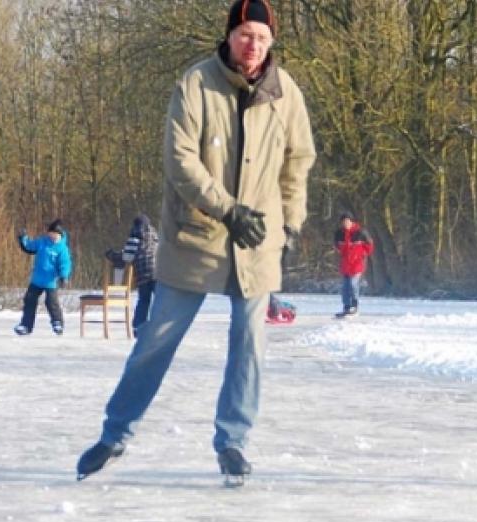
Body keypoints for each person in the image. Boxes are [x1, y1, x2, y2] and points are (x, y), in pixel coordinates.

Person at [76, 0, 315, 485]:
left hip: (256, 241)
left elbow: (298, 161)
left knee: (249, 343)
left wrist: (290, 223)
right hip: (196, 237)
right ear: (230, 36)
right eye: (246, 35)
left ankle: (232, 441)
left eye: (263, 39)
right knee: (157, 339)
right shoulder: (196, 83)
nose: (254, 46)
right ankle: (115, 433)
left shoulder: (284, 91)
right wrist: (227, 209)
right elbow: (181, 161)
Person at [14, 219, 73, 336]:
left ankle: (57, 323)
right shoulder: (42, 242)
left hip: (51, 281)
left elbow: (65, 263)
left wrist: (63, 276)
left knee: (51, 302)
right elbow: (29, 247)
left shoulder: (62, 248)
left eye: (55, 235)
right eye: (51, 234)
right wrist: (23, 238)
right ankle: (26, 325)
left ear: (60, 235)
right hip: (37, 279)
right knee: (29, 300)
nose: (53, 237)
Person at [105, 214, 159, 333]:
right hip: (159, 274)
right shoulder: (156, 238)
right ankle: (159, 326)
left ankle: (139, 327)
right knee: (160, 300)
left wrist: (111, 254)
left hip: (143, 274)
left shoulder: (134, 238)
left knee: (144, 300)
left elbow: (126, 258)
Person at [333, 211, 373, 317]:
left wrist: (363, 254)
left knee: (353, 284)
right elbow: (336, 246)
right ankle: (346, 307)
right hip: (345, 264)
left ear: (351, 221)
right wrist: (339, 252)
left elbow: (370, 245)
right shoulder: (339, 233)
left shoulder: (360, 232)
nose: (345, 223)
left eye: (347, 221)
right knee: (345, 287)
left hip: (357, 263)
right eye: (343, 222)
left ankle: (354, 306)